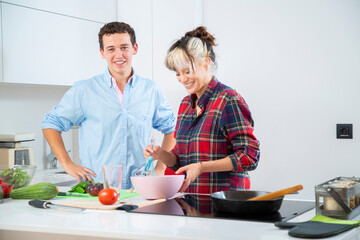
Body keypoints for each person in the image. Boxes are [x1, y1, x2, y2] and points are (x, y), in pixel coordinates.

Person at [42, 22, 176, 189]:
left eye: (124, 47)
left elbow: (171, 129)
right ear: (102, 53)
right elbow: (51, 124)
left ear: (135, 48)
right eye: (111, 49)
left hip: (140, 190)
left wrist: (160, 169)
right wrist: (67, 164)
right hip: (98, 190)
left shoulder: (152, 90)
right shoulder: (84, 90)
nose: (118, 55)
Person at [144, 26, 260, 194]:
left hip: (225, 206)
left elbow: (249, 156)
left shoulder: (228, 100)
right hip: (192, 204)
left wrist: (202, 167)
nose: (182, 79)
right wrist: (161, 154)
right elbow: (181, 158)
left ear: (205, 63)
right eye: (177, 73)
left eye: (187, 71)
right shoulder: (185, 105)